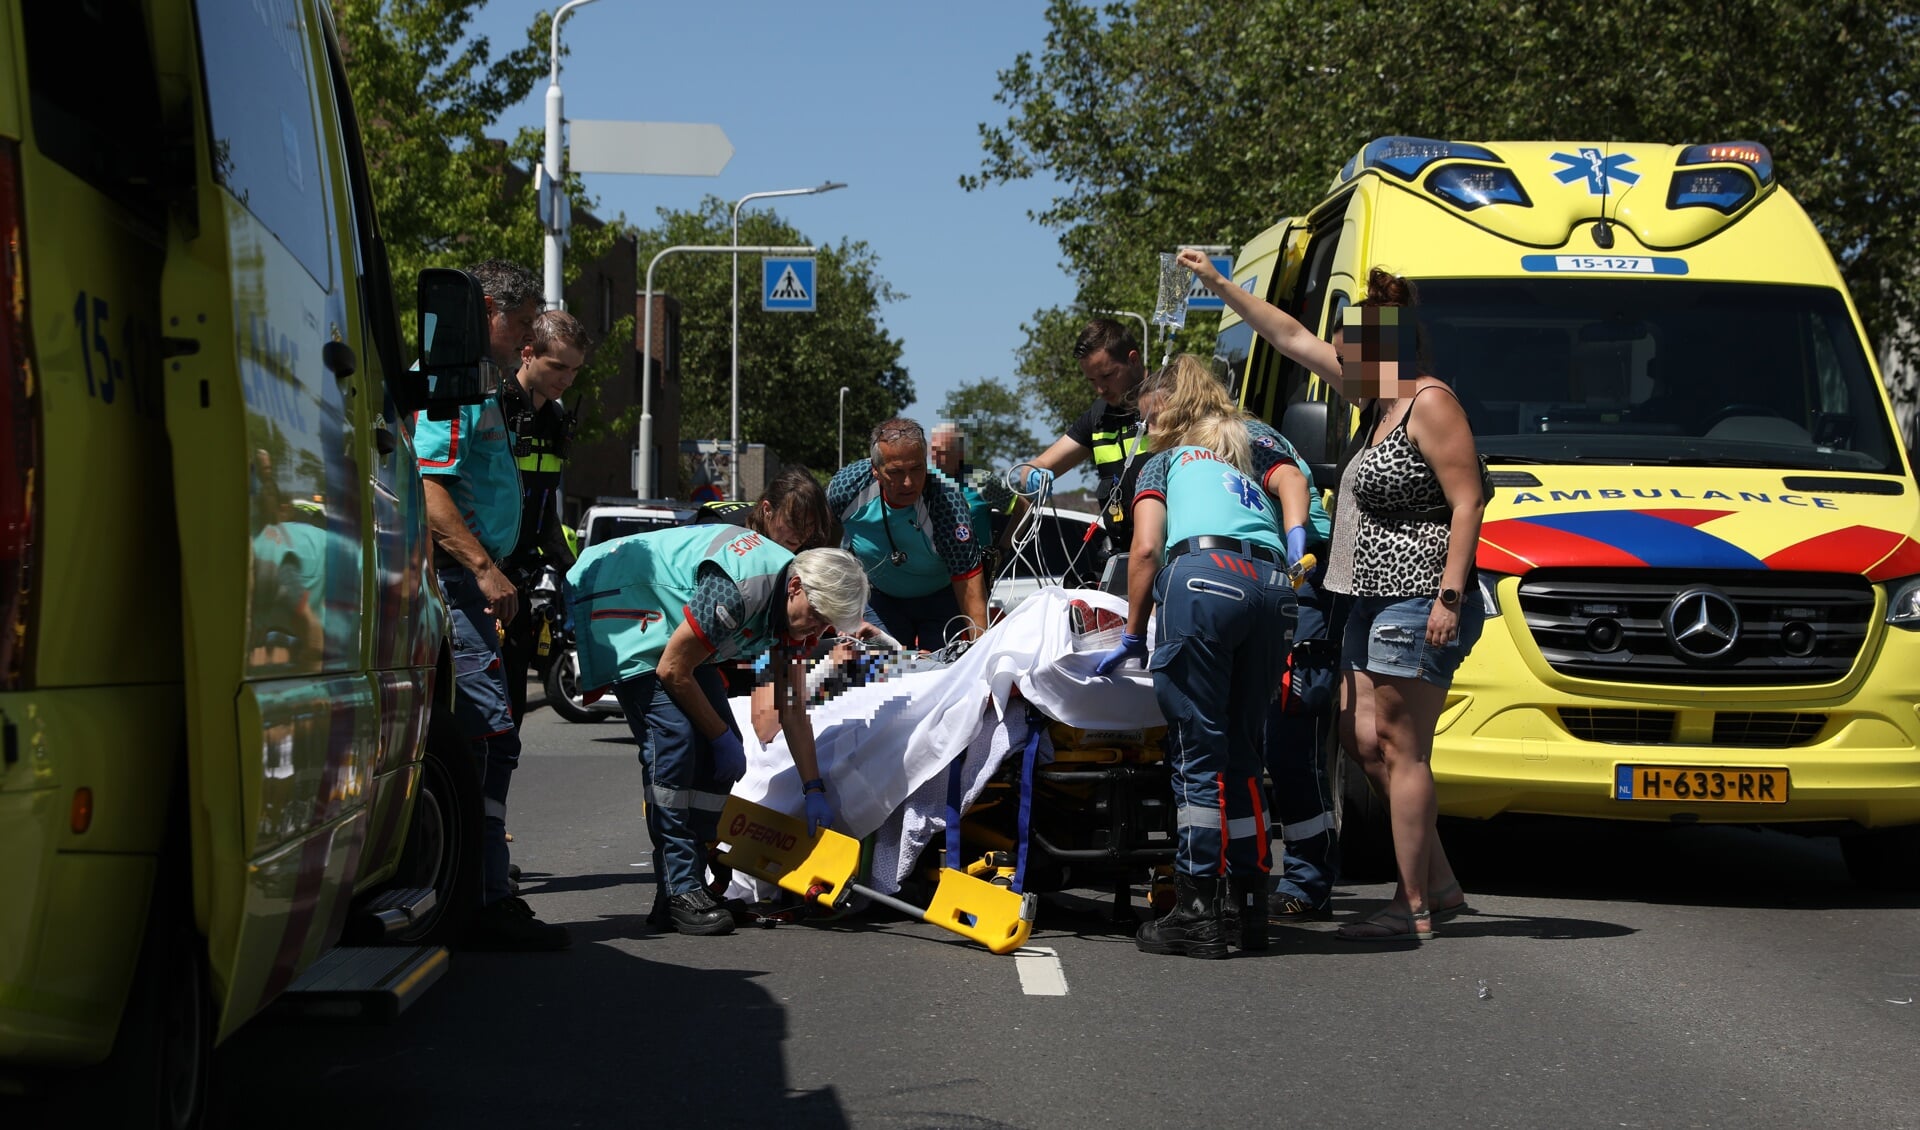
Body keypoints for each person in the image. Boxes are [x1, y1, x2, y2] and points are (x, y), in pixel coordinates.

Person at [1094, 355, 1304, 958]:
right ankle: (1251, 908)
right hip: (1271, 585)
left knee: (1196, 750)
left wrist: (1133, 635)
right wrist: (1293, 547)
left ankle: (1196, 911)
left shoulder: (1163, 463)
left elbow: (1144, 550)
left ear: (1162, 413)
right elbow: (1292, 480)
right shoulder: (1243, 446)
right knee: (1244, 751)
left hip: (1204, 581)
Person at [565, 527, 870, 936]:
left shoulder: (792, 609)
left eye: (826, 626)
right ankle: (680, 891)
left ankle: (688, 882)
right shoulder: (738, 591)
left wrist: (812, 787)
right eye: (816, 617)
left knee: (717, 754)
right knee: (676, 741)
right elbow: (672, 669)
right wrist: (718, 737)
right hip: (622, 594)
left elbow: (793, 708)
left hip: (669, 620)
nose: (814, 633)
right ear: (796, 587)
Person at [1177, 248, 1342, 919]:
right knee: (1248, 739)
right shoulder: (1196, 450)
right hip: (1262, 583)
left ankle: (1305, 879)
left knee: (1285, 740)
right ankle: (1254, 877)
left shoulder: (1242, 435)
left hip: (1296, 583)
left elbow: (1291, 480)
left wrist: (1299, 542)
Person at [413, 258, 570, 950]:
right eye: (522, 318)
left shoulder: (478, 382)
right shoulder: (453, 383)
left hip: (481, 582)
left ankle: (481, 891)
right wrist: (480, 565)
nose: (527, 333)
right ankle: (479, 899)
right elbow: (427, 484)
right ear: (488, 312)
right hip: (459, 580)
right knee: (484, 736)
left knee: (490, 740)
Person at [828, 418, 988, 649]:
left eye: (916, 469)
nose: (908, 482)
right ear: (875, 469)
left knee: (938, 671)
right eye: (895, 472)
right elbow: (824, 548)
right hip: (880, 597)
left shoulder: (947, 505)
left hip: (941, 600)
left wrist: (981, 656)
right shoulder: (846, 488)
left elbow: (971, 589)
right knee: (879, 671)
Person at [500, 309, 588, 727]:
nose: (568, 379)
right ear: (528, 353)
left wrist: (576, 573)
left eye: (575, 370)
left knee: (511, 710)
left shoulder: (555, 420)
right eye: (559, 367)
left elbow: (544, 505)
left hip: (521, 579)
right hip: (482, 577)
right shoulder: (493, 407)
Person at [1017, 319, 1150, 573]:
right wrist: (1033, 475)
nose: (1100, 389)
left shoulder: (1166, 403)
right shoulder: (1097, 418)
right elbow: (1036, 465)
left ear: (1133, 360)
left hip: (1170, 554)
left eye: (1107, 375)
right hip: (1126, 559)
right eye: (1091, 381)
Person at [929, 422, 1018, 582]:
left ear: (960, 453)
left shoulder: (982, 481)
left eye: (944, 452)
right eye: (934, 450)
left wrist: (1002, 548)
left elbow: (1023, 508)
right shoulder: (924, 481)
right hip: (933, 575)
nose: (937, 458)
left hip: (973, 576)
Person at [693, 465, 837, 553]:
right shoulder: (724, 531)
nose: (800, 534)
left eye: (809, 525)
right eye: (793, 523)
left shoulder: (808, 547)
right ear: (767, 509)